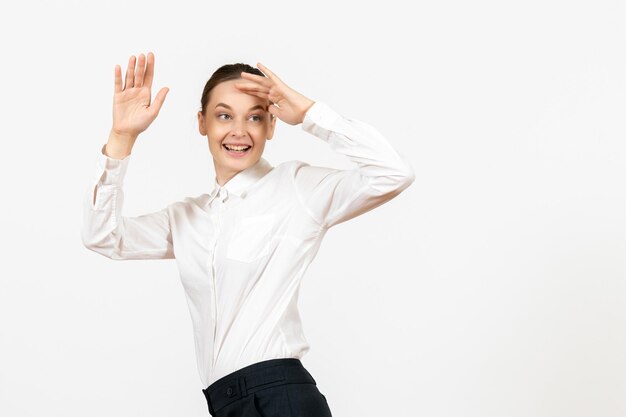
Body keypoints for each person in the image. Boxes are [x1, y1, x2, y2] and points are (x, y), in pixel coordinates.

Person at [81, 51, 415, 417]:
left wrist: (307, 114)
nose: (239, 131)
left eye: (254, 117)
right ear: (202, 123)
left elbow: (393, 172)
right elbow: (102, 236)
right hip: (226, 404)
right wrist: (121, 137)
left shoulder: (296, 189)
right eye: (224, 115)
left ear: (271, 126)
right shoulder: (188, 217)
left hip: (281, 398)